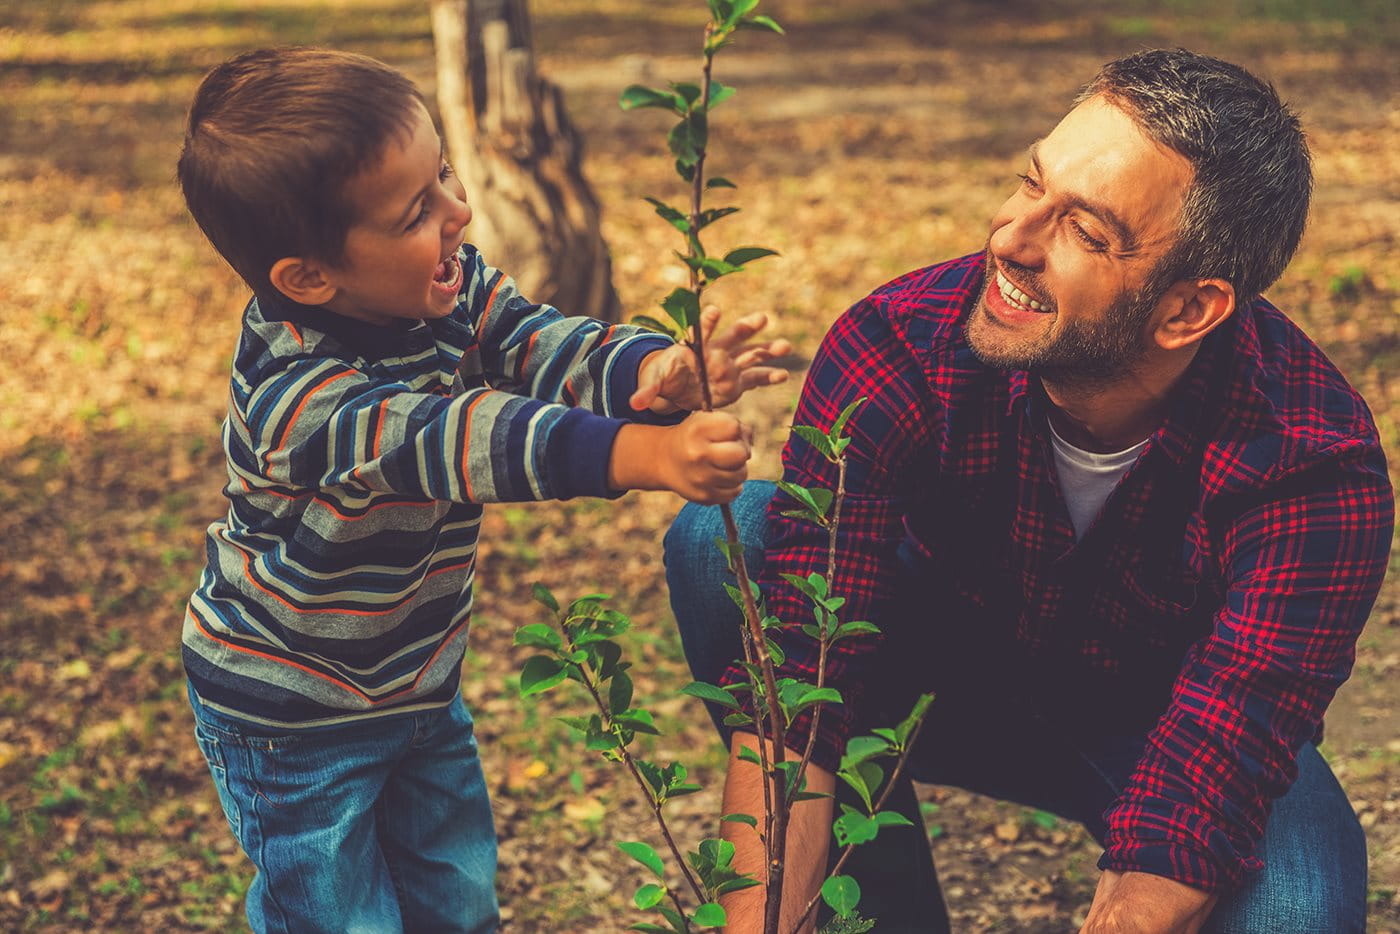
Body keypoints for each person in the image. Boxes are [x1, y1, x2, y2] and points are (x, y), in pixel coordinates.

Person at [665, 48, 1393, 933]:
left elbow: (1225, 752)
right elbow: (805, 681)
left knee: (1296, 913)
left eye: (1086, 232)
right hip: (943, 677)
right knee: (725, 538)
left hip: (1171, 722)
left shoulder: (1313, 462)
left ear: (1187, 312)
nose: (1010, 238)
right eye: (1031, 182)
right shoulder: (897, 347)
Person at [176, 47, 789, 934]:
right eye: (415, 209)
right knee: (343, 919)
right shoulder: (300, 402)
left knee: (457, 900)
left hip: (416, 686)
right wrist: (645, 456)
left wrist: (657, 371)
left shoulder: (446, 291)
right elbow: (467, 438)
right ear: (310, 277)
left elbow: (543, 344)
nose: (460, 212)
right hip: (290, 717)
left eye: (446, 175)